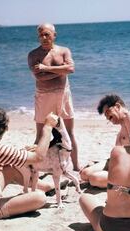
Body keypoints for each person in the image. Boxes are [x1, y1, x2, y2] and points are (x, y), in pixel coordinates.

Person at [28, 23, 80, 171]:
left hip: (63, 94)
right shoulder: (33, 54)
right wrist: (61, 70)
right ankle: (34, 168)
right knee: (41, 134)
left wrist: (46, 68)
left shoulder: (64, 51)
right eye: (41, 35)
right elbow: (40, 78)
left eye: (47, 34)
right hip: (43, 96)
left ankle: (76, 167)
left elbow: (71, 68)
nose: (44, 38)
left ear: (54, 35)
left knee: (69, 133)